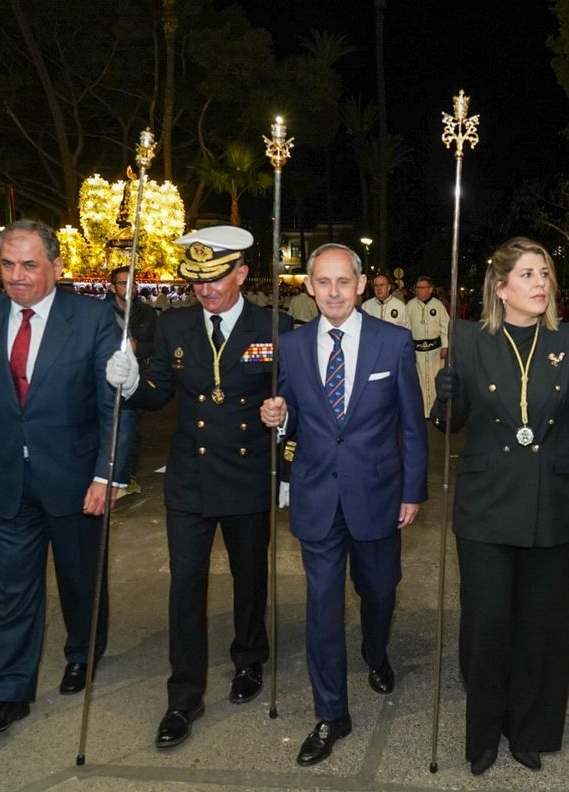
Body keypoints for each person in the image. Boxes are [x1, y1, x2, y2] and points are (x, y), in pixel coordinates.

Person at [0, 220, 130, 737]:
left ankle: (82, 652)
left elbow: (115, 405)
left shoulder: (93, 318)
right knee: (14, 589)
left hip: (75, 477)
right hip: (9, 476)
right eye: (8, 264)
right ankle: (9, 692)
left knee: (80, 579)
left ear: (56, 266)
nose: (17, 276)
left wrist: (108, 475)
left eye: (30, 265)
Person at [106, 226, 292, 748]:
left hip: (248, 473)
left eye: (216, 279)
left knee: (249, 576)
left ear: (242, 274)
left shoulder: (273, 326)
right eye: (197, 281)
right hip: (191, 476)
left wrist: (285, 421)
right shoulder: (175, 325)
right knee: (185, 585)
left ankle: (249, 658)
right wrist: (132, 384)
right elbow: (158, 391)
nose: (205, 290)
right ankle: (183, 696)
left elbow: (296, 391)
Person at [432, 237, 569, 775]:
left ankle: (530, 729)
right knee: (487, 624)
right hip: (486, 504)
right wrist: (444, 395)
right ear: (500, 288)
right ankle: (483, 733)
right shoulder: (468, 339)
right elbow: (451, 424)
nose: (540, 283)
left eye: (544, 273)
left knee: (540, 626)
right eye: (527, 274)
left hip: (550, 501)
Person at [260, 243, 427, 767]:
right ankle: (331, 712)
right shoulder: (291, 346)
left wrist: (412, 491)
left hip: (378, 494)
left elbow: (411, 426)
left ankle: (375, 650)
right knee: (322, 608)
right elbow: (290, 413)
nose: (333, 291)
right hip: (316, 496)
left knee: (379, 590)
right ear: (309, 287)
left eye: (343, 281)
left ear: (359, 285)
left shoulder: (393, 342)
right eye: (323, 282)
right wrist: (277, 417)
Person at [107, 265, 159, 494]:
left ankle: (127, 476)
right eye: (122, 283)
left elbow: (157, 344)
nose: (128, 288)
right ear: (112, 288)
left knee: (131, 428)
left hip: (136, 377)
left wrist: (138, 348)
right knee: (108, 427)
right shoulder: (101, 312)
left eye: (132, 283)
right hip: (107, 377)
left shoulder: (147, 313)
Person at [407, 275, 449, 415]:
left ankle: (436, 411)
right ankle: (422, 411)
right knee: (419, 382)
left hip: (435, 352)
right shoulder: (410, 305)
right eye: (417, 287)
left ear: (430, 289)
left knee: (434, 380)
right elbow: (406, 328)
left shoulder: (438, 305)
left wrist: (445, 345)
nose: (418, 290)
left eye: (422, 288)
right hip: (417, 352)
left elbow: (445, 326)